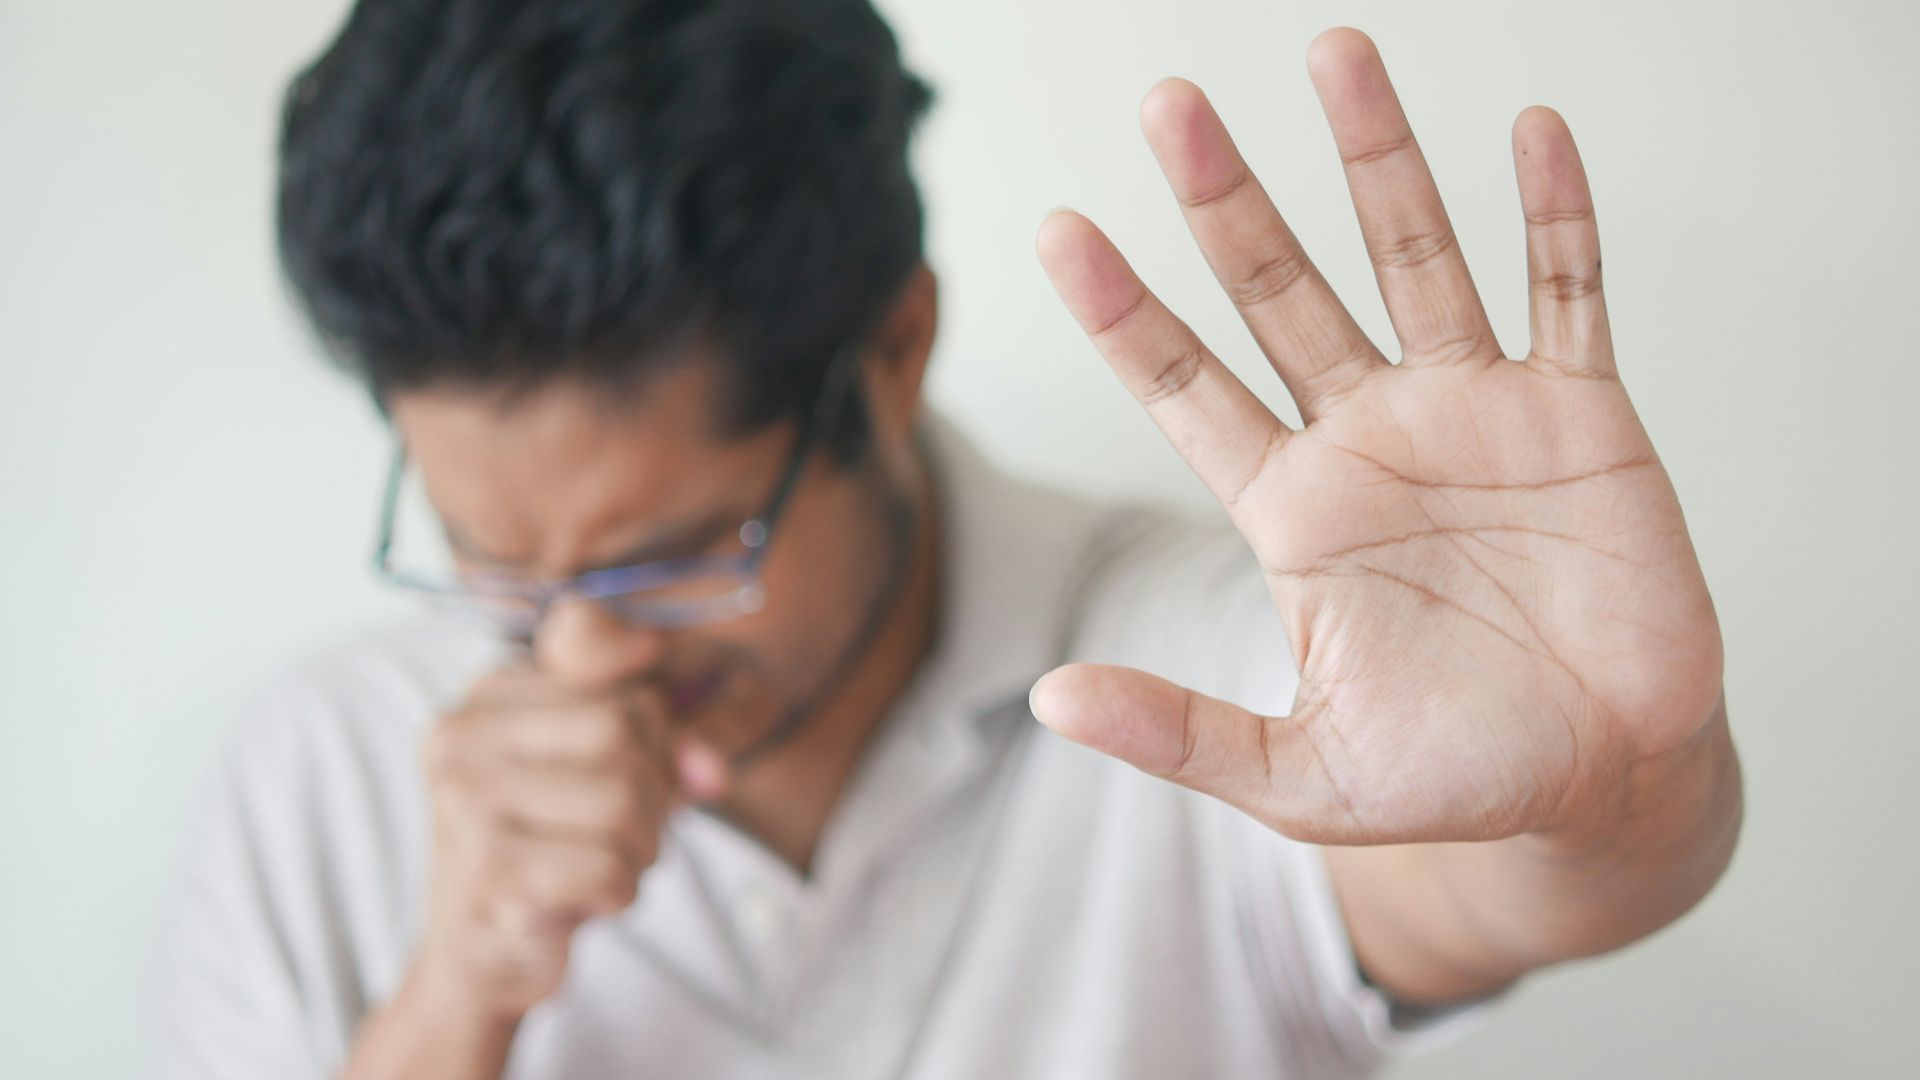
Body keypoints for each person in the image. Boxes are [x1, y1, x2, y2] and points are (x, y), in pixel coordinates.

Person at [146, 1, 1743, 1077]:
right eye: (492, 560)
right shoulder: (324, 769)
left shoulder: (1210, 662)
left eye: (678, 552)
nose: (579, 648)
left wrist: (1613, 790)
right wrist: (450, 1007)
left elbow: (1514, 881)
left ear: (895, 350)